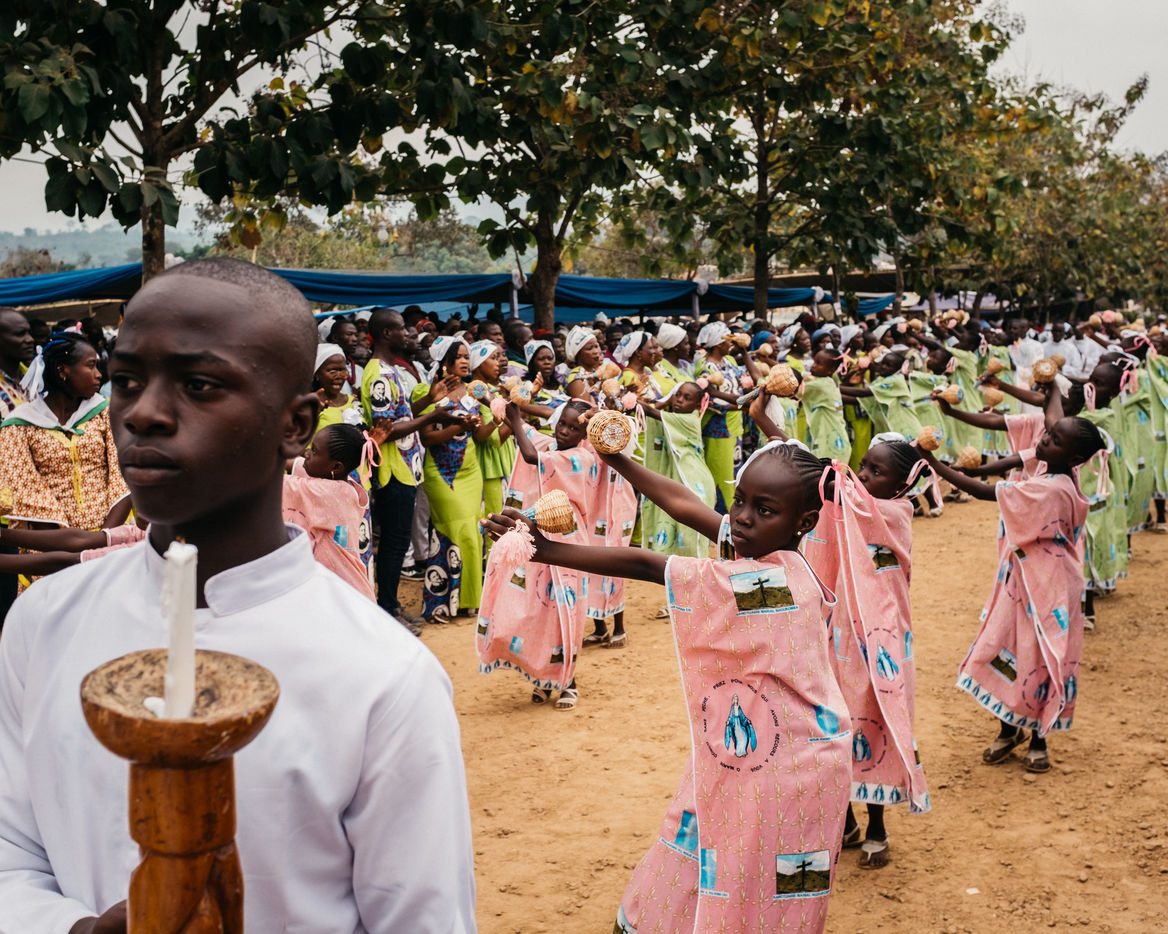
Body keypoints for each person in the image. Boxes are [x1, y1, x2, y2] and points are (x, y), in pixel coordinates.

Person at [0, 257, 476, 933]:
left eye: (198, 385)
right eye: (126, 381)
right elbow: (11, 851)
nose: (144, 414)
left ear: (295, 425)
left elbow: (420, 920)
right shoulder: (45, 621)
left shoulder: (382, 676)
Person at [484, 439, 850, 934]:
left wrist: (547, 550)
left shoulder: (762, 581)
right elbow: (685, 505)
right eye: (739, 500)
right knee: (714, 856)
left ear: (803, 522)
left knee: (748, 875)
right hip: (759, 751)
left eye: (763, 510)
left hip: (787, 767)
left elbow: (645, 564)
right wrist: (617, 460)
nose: (741, 518)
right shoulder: (776, 550)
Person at [921, 390, 1105, 774]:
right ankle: (1009, 727)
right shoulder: (1055, 466)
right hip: (1021, 580)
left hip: (1048, 586)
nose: (1044, 439)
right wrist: (1052, 387)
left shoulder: (1051, 487)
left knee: (1039, 656)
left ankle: (1037, 736)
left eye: (1054, 439)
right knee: (1005, 646)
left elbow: (985, 493)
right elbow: (1033, 442)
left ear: (1074, 458)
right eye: (1049, 434)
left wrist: (934, 463)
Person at [803, 437, 932, 871]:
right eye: (863, 466)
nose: (863, 475)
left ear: (901, 486)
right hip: (840, 635)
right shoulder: (855, 505)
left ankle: (877, 825)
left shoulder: (892, 513)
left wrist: (829, 476)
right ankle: (847, 822)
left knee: (873, 722)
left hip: (879, 640)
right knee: (838, 722)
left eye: (876, 472)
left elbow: (846, 498)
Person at [477, 401, 595, 708]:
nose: (565, 431)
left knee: (565, 611)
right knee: (538, 610)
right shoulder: (549, 444)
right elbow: (522, 429)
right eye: (562, 423)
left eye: (574, 428)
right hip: (538, 539)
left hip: (568, 543)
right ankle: (543, 677)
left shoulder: (580, 457)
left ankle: (568, 681)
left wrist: (517, 419)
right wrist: (499, 403)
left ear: (584, 435)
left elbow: (530, 454)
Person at [362, 307, 464, 626]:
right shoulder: (378, 375)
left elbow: (402, 415)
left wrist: (429, 400)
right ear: (386, 334)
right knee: (394, 543)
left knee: (398, 540)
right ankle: (388, 608)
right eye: (401, 329)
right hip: (393, 470)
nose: (409, 335)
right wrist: (433, 416)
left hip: (406, 467)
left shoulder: (390, 370)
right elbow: (388, 429)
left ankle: (391, 605)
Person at [0, 334, 131, 531]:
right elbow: (26, 492)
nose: (99, 374)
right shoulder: (20, 424)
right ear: (62, 370)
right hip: (52, 541)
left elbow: (122, 477)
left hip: (114, 535)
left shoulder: (105, 412)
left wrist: (104, 538)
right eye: (91, 366)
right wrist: (68, 542)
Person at [418, 337, 490, 620]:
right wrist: (459, 426)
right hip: (441, 473)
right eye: (458, 356)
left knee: (472, 532)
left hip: (470, 472)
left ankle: (470, 600)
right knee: (454, 530)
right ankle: (441, 601)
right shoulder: (428, 391)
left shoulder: (472, 391)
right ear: (444, 361)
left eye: (466, 356)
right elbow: (427, 438)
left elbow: (480, 435)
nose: (464, 361)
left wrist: (498, 417)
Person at [313, 342, 365, 430]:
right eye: (332, 371)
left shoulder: (354, 402)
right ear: (317, 374)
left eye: (342, 370)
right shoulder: (313, 406)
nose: (339, 376)